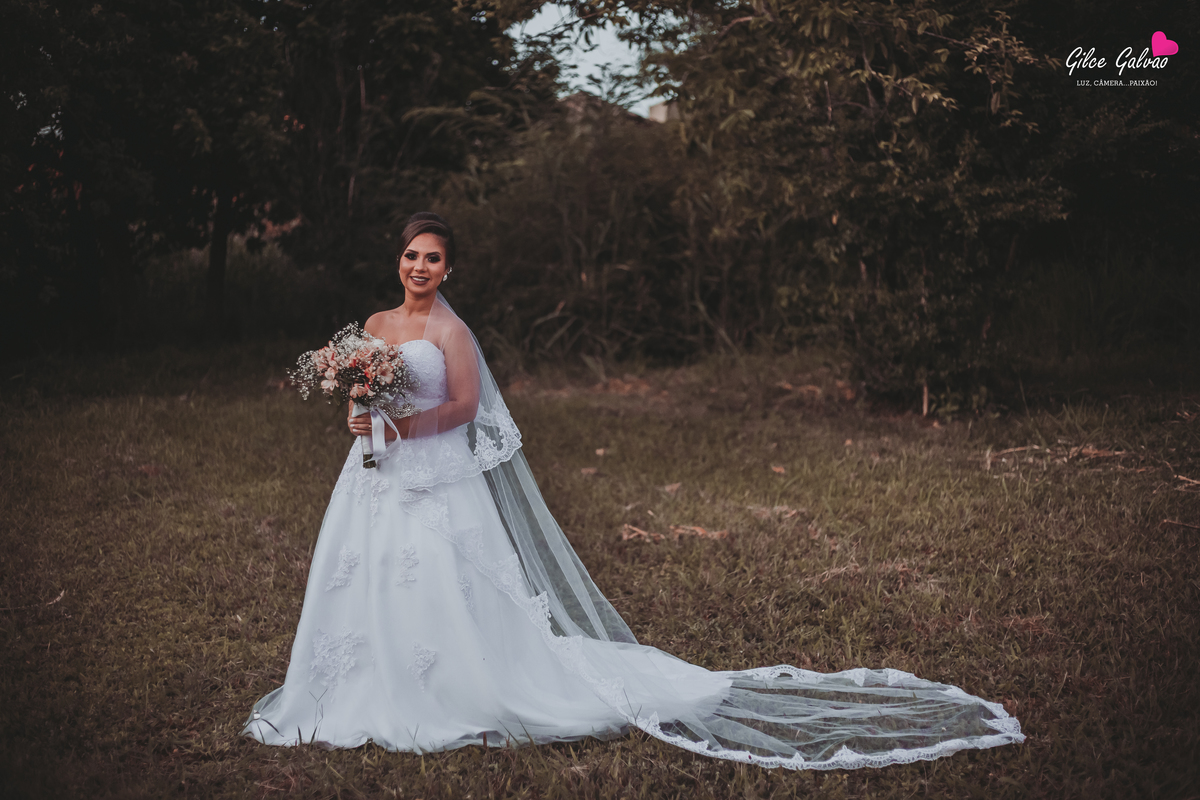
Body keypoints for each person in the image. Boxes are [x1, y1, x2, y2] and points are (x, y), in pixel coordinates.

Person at [242, 212, 1024, 769]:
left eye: (433, 259)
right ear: (400, 260)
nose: (420, 267)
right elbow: (361, 389)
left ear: (450, 269)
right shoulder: (377, 321)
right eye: (412, 255)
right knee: (369, 571)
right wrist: (358, 413)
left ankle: (455, 688)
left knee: (443, 579)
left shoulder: (451, 332)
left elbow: (468, 409)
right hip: (373, 472)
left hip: (435, 471)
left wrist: (405, 427)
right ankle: (361, 681)